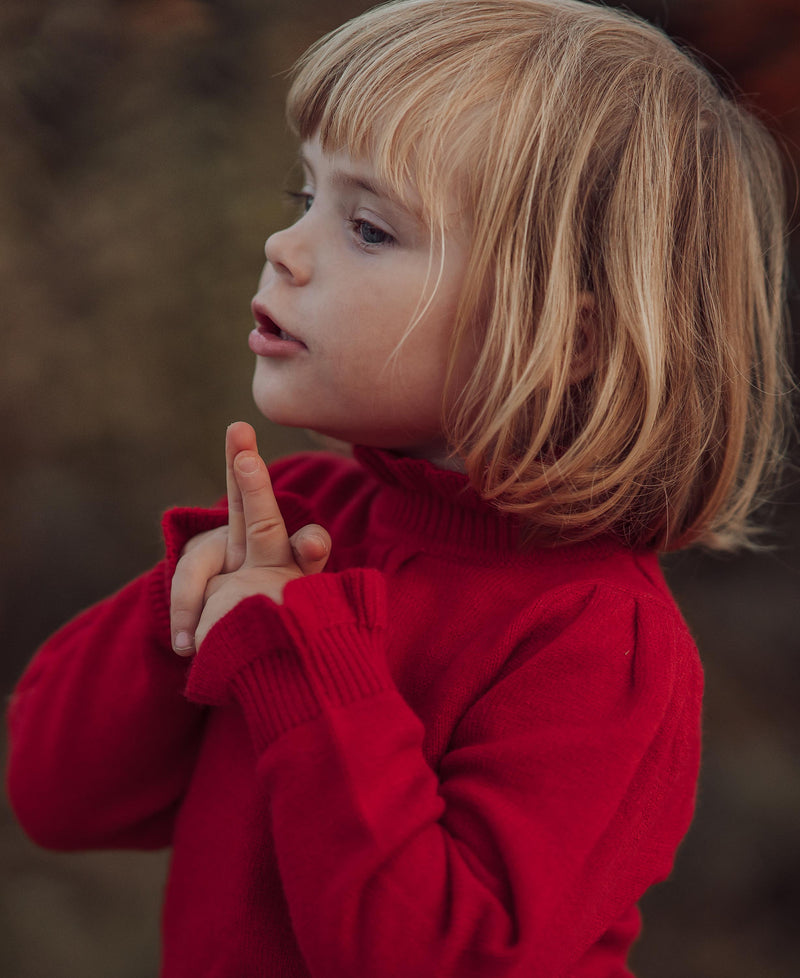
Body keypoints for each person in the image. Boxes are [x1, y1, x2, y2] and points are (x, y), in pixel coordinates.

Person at [5, 1, 791, 975]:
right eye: (303, 200)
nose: (284, 249)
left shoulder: (592, 641)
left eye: (368, 228)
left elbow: (432, 956)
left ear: (567, 337)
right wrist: (182, 616)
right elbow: (58, 796)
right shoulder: (294, 526)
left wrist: (299, 662)